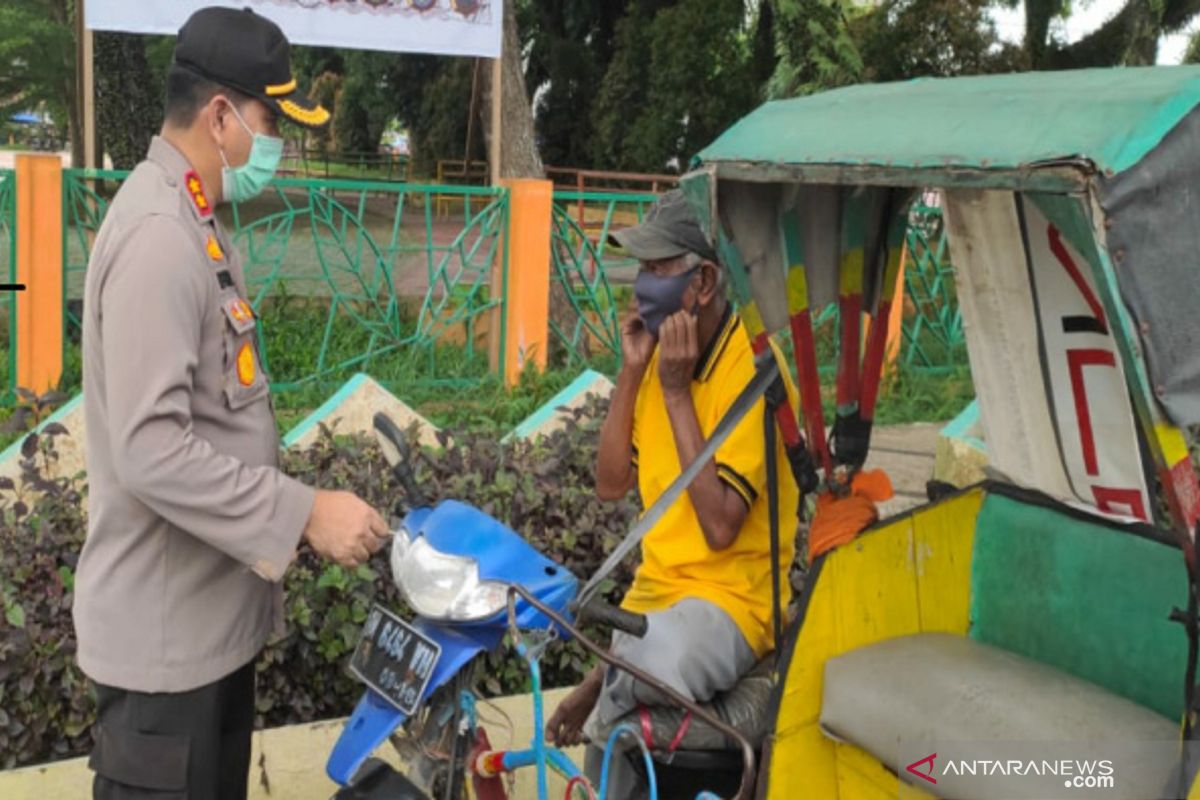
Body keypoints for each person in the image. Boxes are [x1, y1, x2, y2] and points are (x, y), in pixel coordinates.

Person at [73, 8, 389, 799]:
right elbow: (151, 451)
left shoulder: (193, 218)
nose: (274, 139)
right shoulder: (157, 237)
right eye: (268, 118)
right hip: (164, 662)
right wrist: (303, 512)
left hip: (202, 644)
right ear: (219, 116)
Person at [545, 191, 800, 791]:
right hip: (654, 603)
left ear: (704, 282)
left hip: (732, 607)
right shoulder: (657, 358)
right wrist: (633, 371)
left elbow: (719, 527)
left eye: (659, 269)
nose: (641, 285)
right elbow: (610, 486)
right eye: (641, 269)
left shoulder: (757, 371)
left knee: (651, 668)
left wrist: (679, 392)